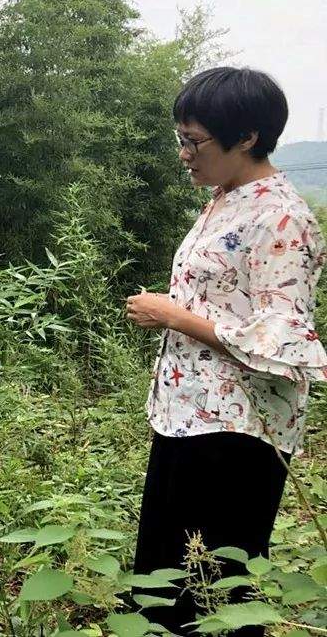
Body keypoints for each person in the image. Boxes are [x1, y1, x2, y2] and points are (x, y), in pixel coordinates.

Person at [126, 67, 327, 635]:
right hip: (189, 416)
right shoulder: (226, 199)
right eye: (181, 139)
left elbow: (286, 342)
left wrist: (174, 315)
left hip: (238, 430)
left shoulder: (281, 216)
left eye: (195, 141)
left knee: (218, 588)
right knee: (166, 574)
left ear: (247, 138)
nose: (184, 154)